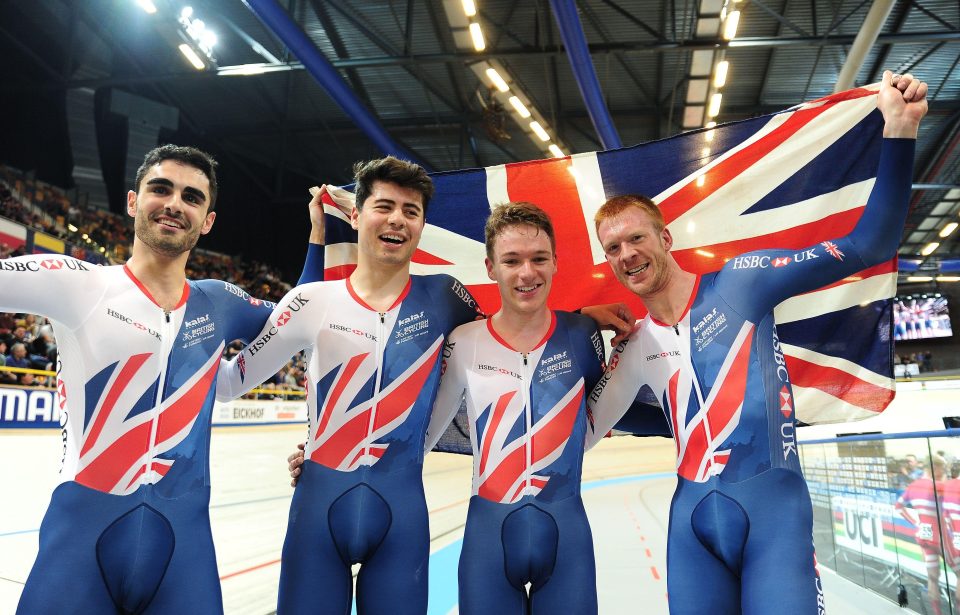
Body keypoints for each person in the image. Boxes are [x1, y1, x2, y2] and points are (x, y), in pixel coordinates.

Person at [221, 158, 631, 615]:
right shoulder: (310, 301)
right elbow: (224, 384)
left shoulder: (444, 297)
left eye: (410, 211)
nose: (397, 219)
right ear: (355, 215)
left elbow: (513, 331)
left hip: (402, 521)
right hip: (318, 511)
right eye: (384, 206)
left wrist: (580, 321)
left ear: (421, 225)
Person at [587, 70, 927, 614]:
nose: (626, 254)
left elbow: (871, 243)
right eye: (613, 248)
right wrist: (574, 330)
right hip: (691, 526)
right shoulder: (636, 348)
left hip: (774, 514)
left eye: (636, 238)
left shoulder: (742, 281)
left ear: (664, 238)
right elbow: (574, 436)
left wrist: (900, 130)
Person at [0, 144, 322, 615]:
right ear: (133, 202)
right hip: (80, 538)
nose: (175, 203)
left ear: (207, 221)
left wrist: (320, 236)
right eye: (161, 188)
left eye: (192, 197)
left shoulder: (220, 302)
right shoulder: (78, 283)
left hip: (183, 544)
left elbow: (302, 316)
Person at [425, 202, 606, 614]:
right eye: (512, 260)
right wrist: (319, 449)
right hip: (488, 540)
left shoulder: (581, 335)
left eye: (539, 258)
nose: (527, 273)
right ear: (491, 267)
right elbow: (418, 431)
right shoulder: (465, 341)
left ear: (556, 262)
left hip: (566, 539)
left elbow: (605, 414)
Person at [897, 455, 951, 615]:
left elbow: (898, 506)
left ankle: (936, 612)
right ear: (935, 467)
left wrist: (917, 523)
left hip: (924, 535)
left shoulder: (914, 486)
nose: (944, 471)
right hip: (940, 537)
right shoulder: (939, 486)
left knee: (932, 578)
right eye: (943, 468)